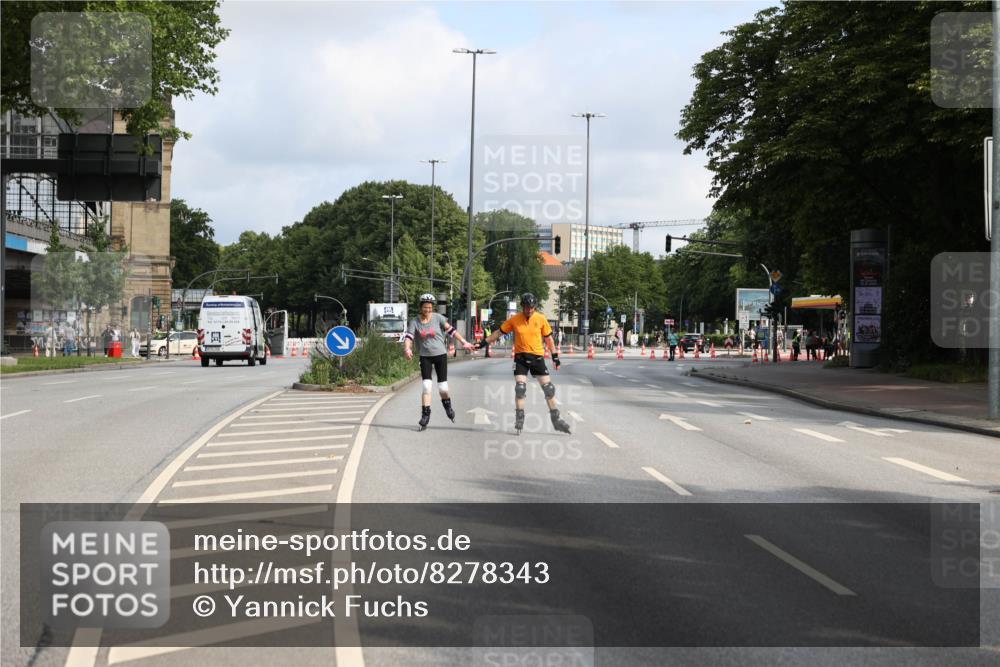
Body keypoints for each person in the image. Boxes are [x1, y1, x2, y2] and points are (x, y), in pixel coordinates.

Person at [478, 293, 571, 435]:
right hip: (521, 358)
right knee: (520, 388)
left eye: (532, 308)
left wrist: (555, 357)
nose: (529, 310)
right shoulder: (515, 319)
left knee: (548, 389)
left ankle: (556, 419)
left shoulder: (541, 319)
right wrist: (483, 342)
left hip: (537, 358)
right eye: (527, 307)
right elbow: (498, 332)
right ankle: (519, 418)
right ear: (522, 306)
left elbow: (549, 339)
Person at [403, 293, 475, 430]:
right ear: (420, 307)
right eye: (425, 308)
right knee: (426, 386)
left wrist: (464, 342)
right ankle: (425, 415)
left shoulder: (438, 318)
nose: (428, 310)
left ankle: (447, 407)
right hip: (425, 356)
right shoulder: (415, 322)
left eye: (430, 308)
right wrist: (407, 349)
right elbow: (409, 337)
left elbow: (452, 331)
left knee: (442, 388)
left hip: (440, 355)